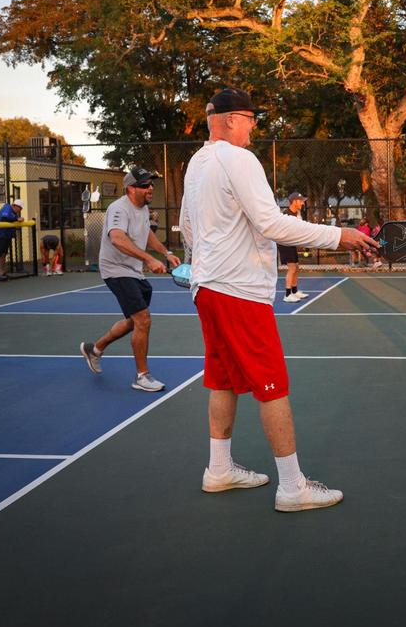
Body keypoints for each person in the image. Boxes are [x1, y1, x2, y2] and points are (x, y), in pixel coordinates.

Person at [179, 87, 379, 512]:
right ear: (232, 119)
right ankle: (292, 487)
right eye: (251, 118)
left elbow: (186, 226)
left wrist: (208, 265)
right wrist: (339, 235)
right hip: (238, 292)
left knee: (223, 378)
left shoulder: (196, 164)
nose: (254, 127)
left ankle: (219, 470)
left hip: (208, 287)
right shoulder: (239, 158)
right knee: (273, 386)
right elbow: (272, 223)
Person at [79, 166, 181, 392]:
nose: (150, 188)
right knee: (143, 319)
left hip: (133, 271)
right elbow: (117, 238)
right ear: (130, 188)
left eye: (151, 184)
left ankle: (94, 349)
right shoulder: (119, 209)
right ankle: (142, 376)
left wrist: (165, 254)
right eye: (145, 185)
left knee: (133, 321)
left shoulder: (143, 209)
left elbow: (147, 234)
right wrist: (148, 260)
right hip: (116, 270)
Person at [276, 192, 309, 302]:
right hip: (285, 243)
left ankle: (295, 291)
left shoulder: (297, 214)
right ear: (294, 201)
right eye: (301, 201)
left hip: (291, 243)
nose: (303, 203)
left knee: (296, 266)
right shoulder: (286, 215)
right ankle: (287, 294)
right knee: (292, 268)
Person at [0, 199, 24, 280]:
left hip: (6, 236)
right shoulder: (7, 208)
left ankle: (2, 273)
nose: (20, 210)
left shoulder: (14, 214)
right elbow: (4, 219)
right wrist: (17, 219)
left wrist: (17, 220)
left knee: (4, 254)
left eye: (21, 209)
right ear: (15, 206)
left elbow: (12, 222)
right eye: (19, 208)